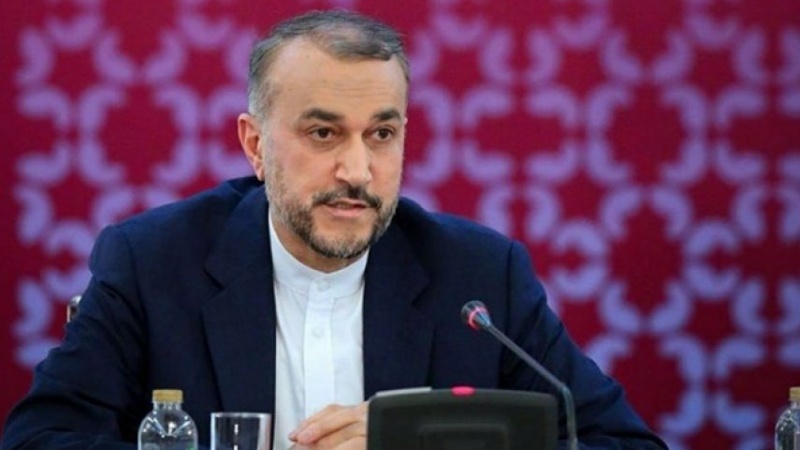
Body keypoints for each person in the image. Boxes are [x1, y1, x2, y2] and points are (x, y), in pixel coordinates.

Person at [0, 9, 667, 450]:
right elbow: (40, 439)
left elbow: (620, 442)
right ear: (255, 145)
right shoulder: (152, 264)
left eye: (382, 134)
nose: (357, 170)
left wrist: (420, 441)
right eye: (323, 133)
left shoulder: (481, 280)